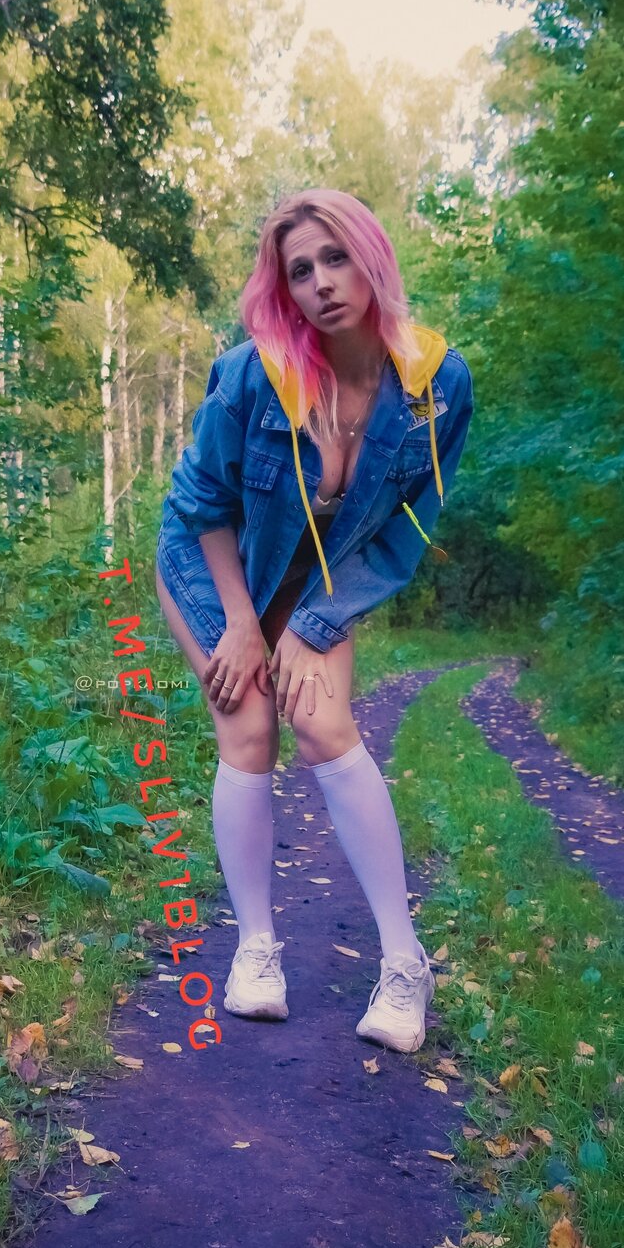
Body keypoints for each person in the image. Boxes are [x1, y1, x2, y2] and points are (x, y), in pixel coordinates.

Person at [151, 188, 474, 1053]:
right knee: (249, 721)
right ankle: (256, 950)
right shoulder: (255, 374)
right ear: (283, 288)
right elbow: (201, 505)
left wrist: (312, 623)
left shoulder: (438, 386)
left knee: (325, 726)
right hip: (214, 559)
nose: (322, 282)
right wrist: (242, 624)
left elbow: (405, 530)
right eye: (301, 270)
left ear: (372, 256)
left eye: (336, 258)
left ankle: (404, 964)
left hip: (322, 575)